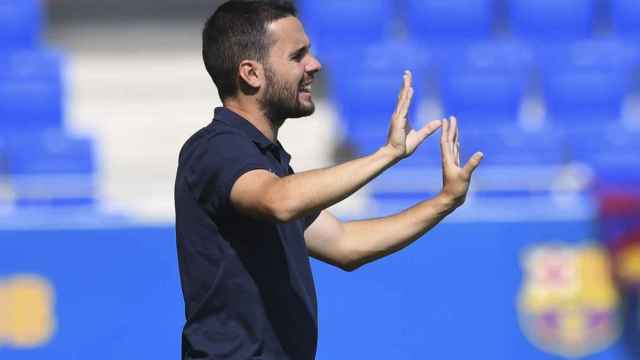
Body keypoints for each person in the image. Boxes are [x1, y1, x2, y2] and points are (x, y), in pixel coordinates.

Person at [174, 1, 484, 359]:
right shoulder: (215, 149)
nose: (314, 64)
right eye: (298, 55)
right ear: (251, 73)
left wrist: (445, 200)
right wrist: (386, 155)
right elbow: (279, 201)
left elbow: (345, 244)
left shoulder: (266, 162)